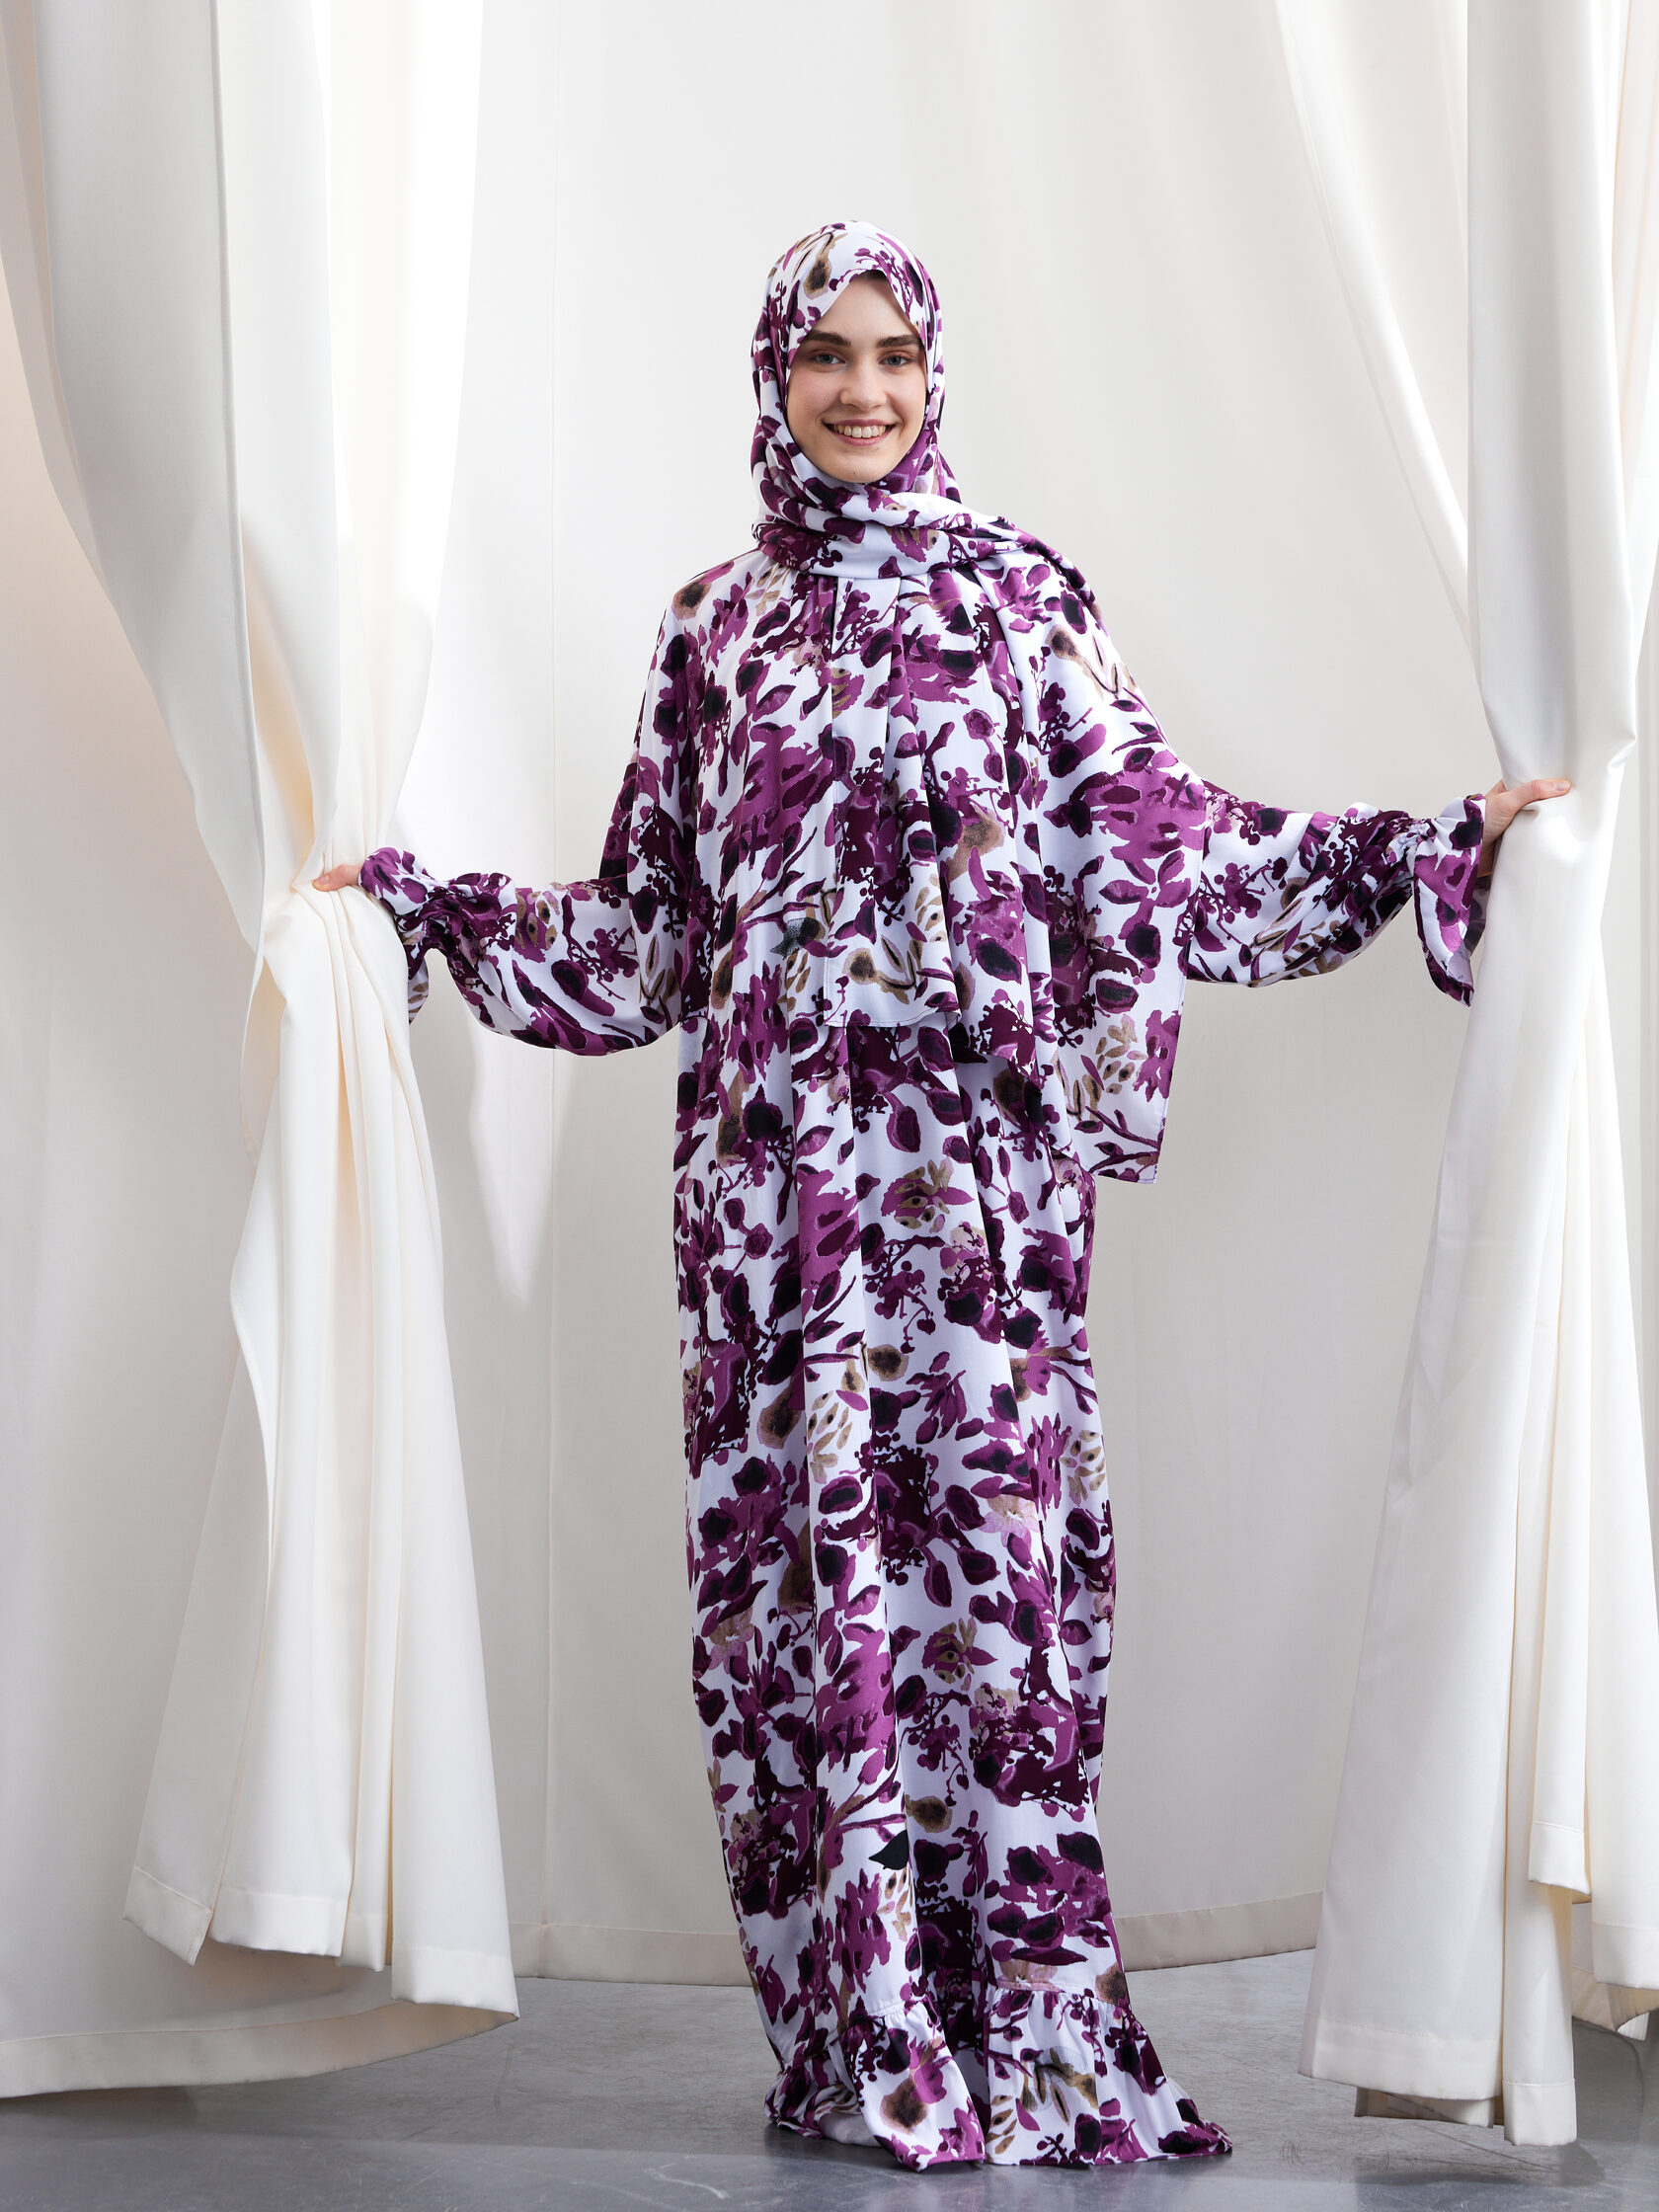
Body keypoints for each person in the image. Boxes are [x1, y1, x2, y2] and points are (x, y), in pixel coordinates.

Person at [316, 220, 1563, 2171]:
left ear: (936, 371)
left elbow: (1165, 848)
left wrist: (1425, 846)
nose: (866, 390)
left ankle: (1029, 2036)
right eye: (828, 354)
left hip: (978, 1219)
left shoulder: (1020, 600)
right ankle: (863, 2036)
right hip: (774, 1227)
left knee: (997, 1609)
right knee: (807, 1617)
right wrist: (419, 913)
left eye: (895, 352)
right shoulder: (711, 631)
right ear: (774, 377)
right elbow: (648, 937)